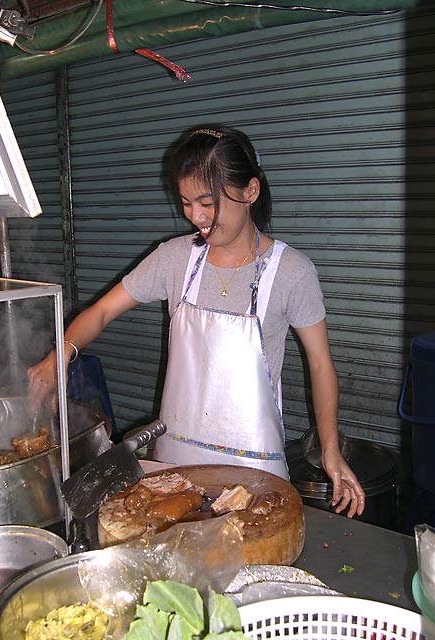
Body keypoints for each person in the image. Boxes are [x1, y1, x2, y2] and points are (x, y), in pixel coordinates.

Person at [28, 125, 365, 518]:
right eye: (187, 203)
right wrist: (61, 355)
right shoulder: (176, 258)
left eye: (207, 202)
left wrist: (329, 449)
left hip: (254, 475)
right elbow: (101, 311)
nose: (197, 217)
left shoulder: (291, 271)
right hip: (173, 470)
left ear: (250, 192)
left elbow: (321, 364)